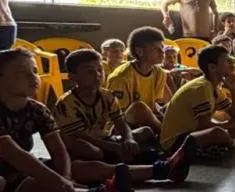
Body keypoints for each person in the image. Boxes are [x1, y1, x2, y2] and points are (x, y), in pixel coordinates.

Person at [0, 48, 134, 192]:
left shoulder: (37, 109)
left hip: (18, 169)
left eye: (34, 71)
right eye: (22, 72)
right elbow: (15, 155)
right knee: (19, 183)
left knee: (75, 167)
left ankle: (159, 169)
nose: (33, 77)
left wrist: (65, 176)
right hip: (7, 173)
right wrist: (58, 182)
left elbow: (57, 148)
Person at [55, 49, 192, 181]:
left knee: (145, 132)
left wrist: (128, 138)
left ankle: (127, 157)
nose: (97, 75)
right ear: (72, 77)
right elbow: (81, 135)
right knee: (91, 151)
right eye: (89, 71)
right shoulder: (67, 103)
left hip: (106, 140)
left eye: (99, 70)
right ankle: (139, 160)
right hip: (81, 146)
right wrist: (113, 147)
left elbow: (119, 121)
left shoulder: (106, 95)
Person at [159, 45, 235, 157]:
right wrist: (230, 125)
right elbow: (204, 126)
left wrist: (233, 89)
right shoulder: (202, 87)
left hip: (194, 134)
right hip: (175, 142)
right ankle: (234, 142)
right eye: (227, 60)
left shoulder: (215, 87)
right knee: (217, 133)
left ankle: (228, 142)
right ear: (212, 67)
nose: (231, 64)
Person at [106, 27, 171, 135]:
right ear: (140, 51)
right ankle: (169, 137)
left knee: (176, 106)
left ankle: (173, 134)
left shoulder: (159, 73)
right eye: (156, 49)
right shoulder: (121, 77)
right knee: (139, 107)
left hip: (146, 122)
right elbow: (118, 116)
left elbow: (154, 107)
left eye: (162, 48)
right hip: (120, 127)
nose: (162, 52)